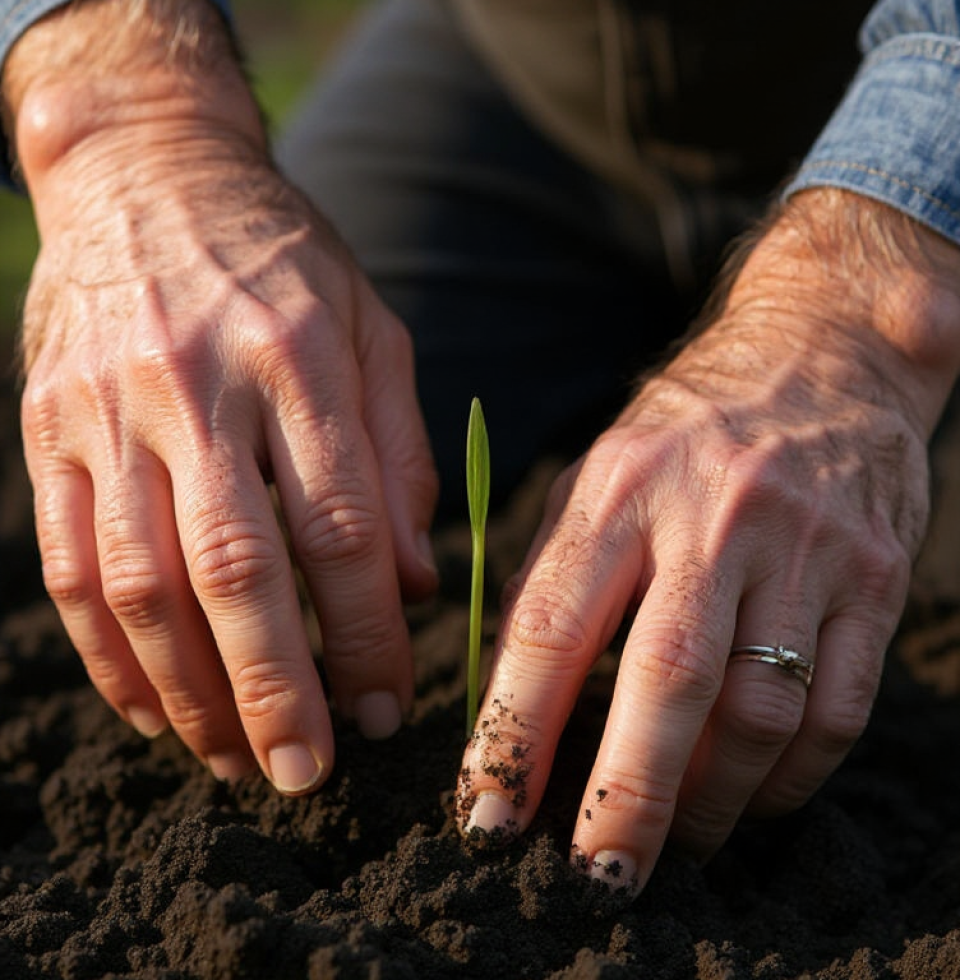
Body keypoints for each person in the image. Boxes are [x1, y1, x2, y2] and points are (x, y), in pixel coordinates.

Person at [1, 0, 958, 899]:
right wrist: (119, 121)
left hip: (898, 92)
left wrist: (875, 314)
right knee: (265, 413)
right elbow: (115, 104)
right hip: (524, 70)